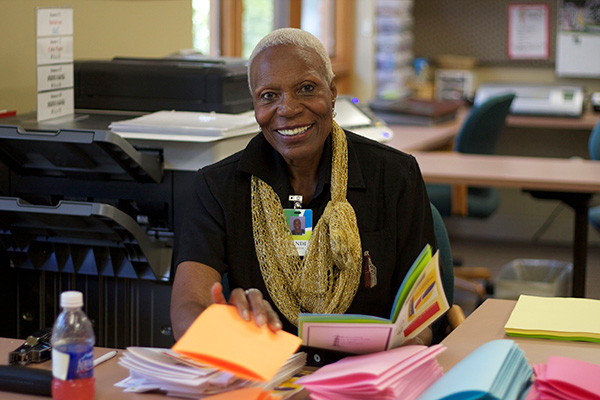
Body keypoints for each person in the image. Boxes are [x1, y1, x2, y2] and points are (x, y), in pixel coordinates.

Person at [170, 28, 438, 345]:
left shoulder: (395, 175)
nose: (288, 109)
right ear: (255, 105)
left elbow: (423, 317)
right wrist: (224, 330)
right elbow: (188, 307)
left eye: (306, 89)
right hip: (270, 372)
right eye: (269, 96)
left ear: (333, 92)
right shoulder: (218, 187)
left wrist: (393, 357)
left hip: (369, 373)